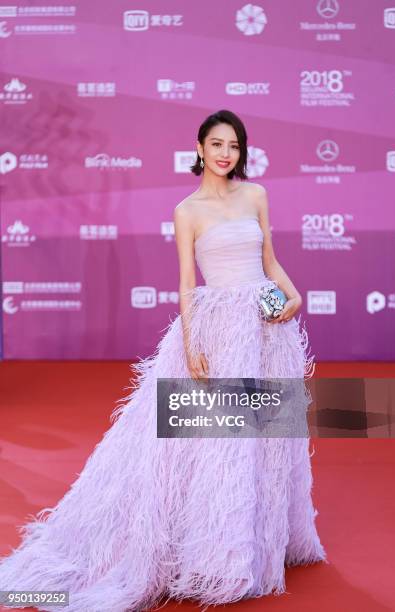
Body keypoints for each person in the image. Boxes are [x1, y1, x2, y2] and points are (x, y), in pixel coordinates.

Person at [0, 109, 327, 612]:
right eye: (216, 144)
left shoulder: (256, 195)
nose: (225, 154)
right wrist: (193, 343)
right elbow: (187, 285)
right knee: (218, 442)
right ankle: (216, 549)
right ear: (199, 149)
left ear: (242, 152)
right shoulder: (187, 210)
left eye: (234, 146)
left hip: (264, 322)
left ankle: (263, 541)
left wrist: (293, 295)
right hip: (218, 327)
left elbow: (269, 262)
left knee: (266, 434)